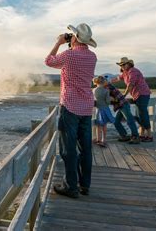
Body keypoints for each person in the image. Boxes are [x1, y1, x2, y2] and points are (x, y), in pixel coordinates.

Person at [45, 23, 97, 198]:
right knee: (85, 148)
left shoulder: (68, 55)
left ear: (74, 38)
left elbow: (49, 61)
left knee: (68, 148)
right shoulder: (93, 57)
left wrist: (59, 42)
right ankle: (85, 185)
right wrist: (70, 42)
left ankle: (71, 186)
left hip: (70, 106)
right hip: (87, 107)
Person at [113, 57, 153, 142]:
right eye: (121, 65)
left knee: (143, 114)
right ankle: (142, 135)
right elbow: (118, 78)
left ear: (128, 64)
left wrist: (124, 94)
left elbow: (130, 85)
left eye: (124, 64)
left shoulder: (133, 71)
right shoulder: (125, 73)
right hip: (137, 96)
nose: (122, 66)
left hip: (142, 94)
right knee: (140, 115)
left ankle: (149, 135)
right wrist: (107, 81)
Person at [104, 76, 140, 144]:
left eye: (104, 81)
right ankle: (124, 135)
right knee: (116, 121)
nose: (102, 82)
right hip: (121, 105)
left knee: (130, 120)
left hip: (123, 105)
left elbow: (110, 98)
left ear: (107, 81)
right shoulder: (108, 87)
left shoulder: (108, 88)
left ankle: (136, 137)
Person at [93, 76, 115, 147]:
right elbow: (108, 102)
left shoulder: (94, 90)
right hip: (105, 109)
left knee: (98, 125)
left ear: (96, 82)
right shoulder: (106, 91)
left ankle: (98, 139)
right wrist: (111, 99)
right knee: (104, 125)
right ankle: (103, 140)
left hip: (98, 109)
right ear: (103, 82)